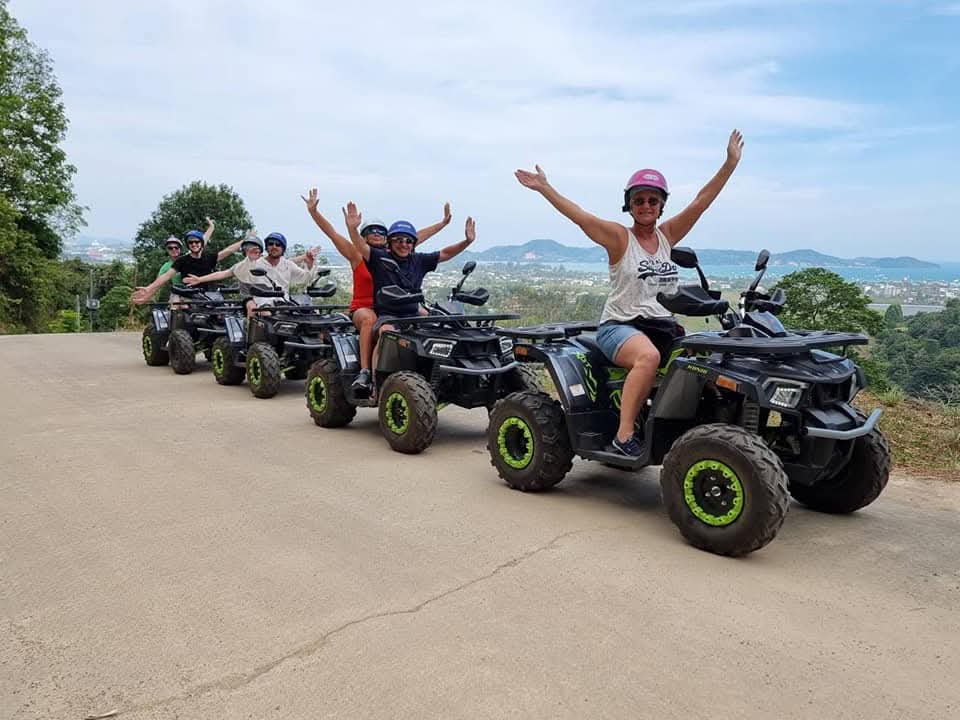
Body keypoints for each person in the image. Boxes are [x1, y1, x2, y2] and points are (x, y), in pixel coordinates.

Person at [514, 129, 744, 457]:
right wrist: (545, 188)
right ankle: (624, 436)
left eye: (653, 200)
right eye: (639, 200)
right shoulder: (620, 238)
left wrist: (729, 163)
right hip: (620, 326)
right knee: (647, 357)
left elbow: (701, 202)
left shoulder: (667, 236)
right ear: (630, 205)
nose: (646, 205)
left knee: (706, 358)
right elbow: (581, 216)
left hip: (662, 327)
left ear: (662, 205)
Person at [301, 188, 452, 391]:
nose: (376, 234)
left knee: (430, 315)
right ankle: (365, 372)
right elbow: (332, 233)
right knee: (369, 319)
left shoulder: (393, 254)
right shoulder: (357, 254)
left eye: (381, 231)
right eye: (371, 231)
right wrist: (314, 212)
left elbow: (415, 237)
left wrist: (441, 224)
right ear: (362, 236)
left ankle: (435, 369)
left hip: (392, 306)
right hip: (365, 307)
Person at [345, 202, 477, 389]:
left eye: (408, 241)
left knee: (444, 326)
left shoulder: (419, 260)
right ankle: (373, 380)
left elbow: (445, 253)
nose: (404, 244)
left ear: (413, 244)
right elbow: (360, 245)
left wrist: (467, 241)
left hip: (414, 313)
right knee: (386, 333)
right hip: (390, 315)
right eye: (398, 240)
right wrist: (352, 228)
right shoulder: (379, 258)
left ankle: (445, 376)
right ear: (390, 242)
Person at [184, 231, 321, 316]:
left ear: (283, 248)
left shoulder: (287, 264)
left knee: (311, 312)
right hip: (261, 301)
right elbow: (227, 273)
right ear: (266, 247)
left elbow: (304, 278)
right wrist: (200, 279)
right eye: (271, 243)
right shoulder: (254, 263)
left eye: (278, 244)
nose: (274, 246)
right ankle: (252, 343)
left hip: (284, 302)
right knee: (266, 313)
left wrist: (309, 263)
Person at [132, 218, 241, 304]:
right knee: (177, 304)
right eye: (191, 243)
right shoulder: (181, 261)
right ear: (188, 245)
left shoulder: (208, 257)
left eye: (196, 242)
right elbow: (165, 277)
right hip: (186, 294)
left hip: (209, 294)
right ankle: (176, 330)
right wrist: (149, 288)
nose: (194, 244)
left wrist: (246, 240)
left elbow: (228, 250)